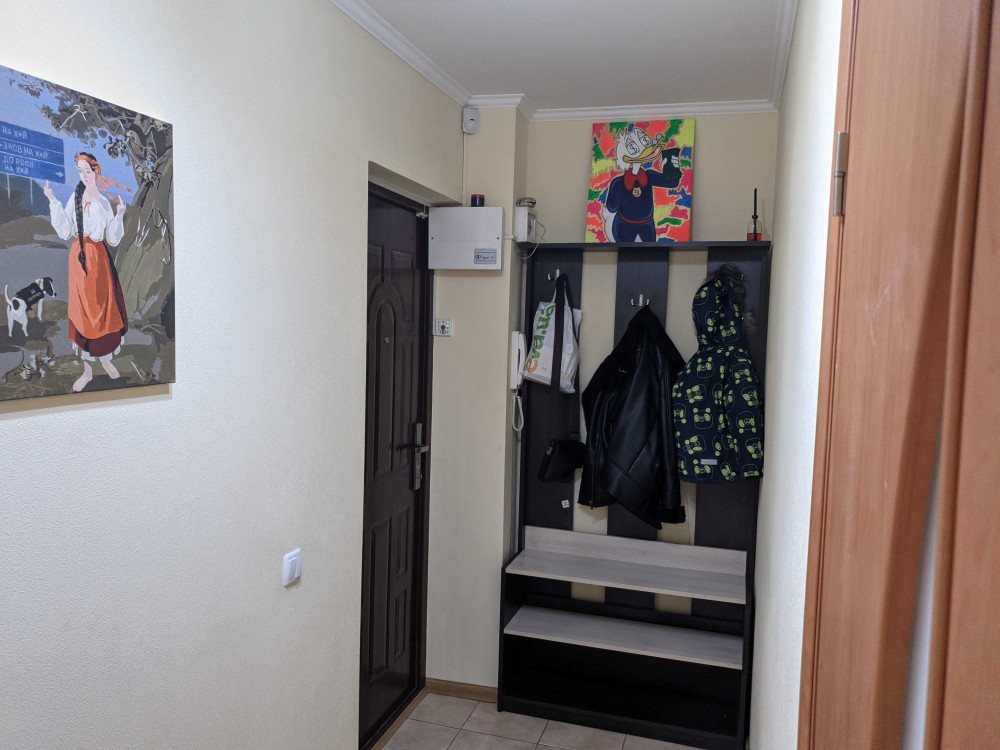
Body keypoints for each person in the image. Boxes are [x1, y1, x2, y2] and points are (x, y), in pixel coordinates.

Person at [43, 152, 128, 392]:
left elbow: (112, 238)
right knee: (83, 312)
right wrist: (53, 200)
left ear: (96, 171)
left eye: (87, 171)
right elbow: (65, 230)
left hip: (99, 260)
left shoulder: (103, 203)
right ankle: (88, 371)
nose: (84, 176)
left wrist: (120, 215)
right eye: (80, 172)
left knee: (103, 309)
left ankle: (106, 360)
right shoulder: (75, 198)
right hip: (79, 261)